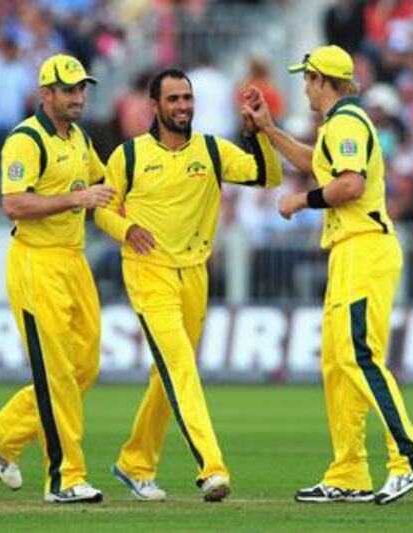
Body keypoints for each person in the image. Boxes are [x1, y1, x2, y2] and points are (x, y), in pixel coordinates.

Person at [242, 45, 413, 505]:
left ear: (320, 79)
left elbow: (349, 185)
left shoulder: (347, 122)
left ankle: (410, 456)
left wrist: (300, 202)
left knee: (359, 357)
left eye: (306, 79)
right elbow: (318, 164)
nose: (304, 87)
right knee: (338, 362)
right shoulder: (338, 124)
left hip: (364, 249)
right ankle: (349, 471)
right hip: (350, 251)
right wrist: (269, 129)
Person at [95, 69, 283, 502]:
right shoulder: (129, 155)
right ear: (154, 106)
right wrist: (127, 230)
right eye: (174, 99)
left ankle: (135, 462)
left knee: (168, 376)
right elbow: (103, 209)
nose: (183, 107)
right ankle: (212, 468)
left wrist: (258, 133)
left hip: (195, 273)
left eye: (187, 98)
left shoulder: (212, 149)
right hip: (148, 270)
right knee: (180, 367)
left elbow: (266, 176)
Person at [0, 54, 112, 504]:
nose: (78, 97)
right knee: (57, 375)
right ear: (45, 94)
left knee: (84, 368)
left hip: (73, 260)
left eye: (82, 89)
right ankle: (65, 478)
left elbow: (105, 185)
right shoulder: (25, 140)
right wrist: (77, 198)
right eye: (69, 90)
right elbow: (14, 204)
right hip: (36, 262)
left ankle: (3, 432)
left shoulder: (79, 138)